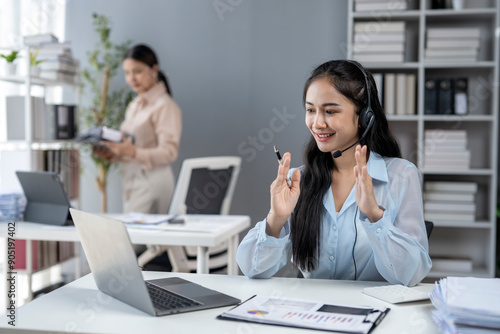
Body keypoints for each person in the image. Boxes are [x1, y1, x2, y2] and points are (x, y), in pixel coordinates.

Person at [237, 60, 431, 286]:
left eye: (330, 111)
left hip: (375, 313)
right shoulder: (298, 180)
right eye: (311, 110)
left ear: (364, 116)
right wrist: (276, 219)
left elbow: (412, 274)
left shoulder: (401, 176)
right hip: (313, 314)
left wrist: (374, 215)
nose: (317, 123)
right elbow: (252, 269)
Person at [95, 44, 182, 214]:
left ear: (154, 69)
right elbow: (130, 147)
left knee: (148, 239)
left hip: (154, 182)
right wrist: (113, 153)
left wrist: (133, 152)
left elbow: (169, 152)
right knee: (134, 238)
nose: (131, 78)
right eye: (127, 73)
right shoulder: (134, 105)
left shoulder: (165, 105)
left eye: (137, 71)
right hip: (132, 182)